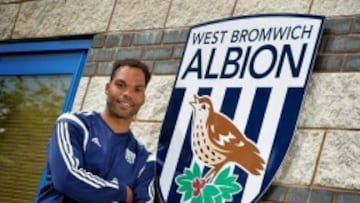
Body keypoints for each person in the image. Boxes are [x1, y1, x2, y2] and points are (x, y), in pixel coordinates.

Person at [37, 59, 155, 203]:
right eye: (120, 85)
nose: (128, 93)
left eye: (137, 89)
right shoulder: (74, 125)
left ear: (143, 98)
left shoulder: (143, 159)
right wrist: (123, 194)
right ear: (107, 88)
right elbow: (67, 178)